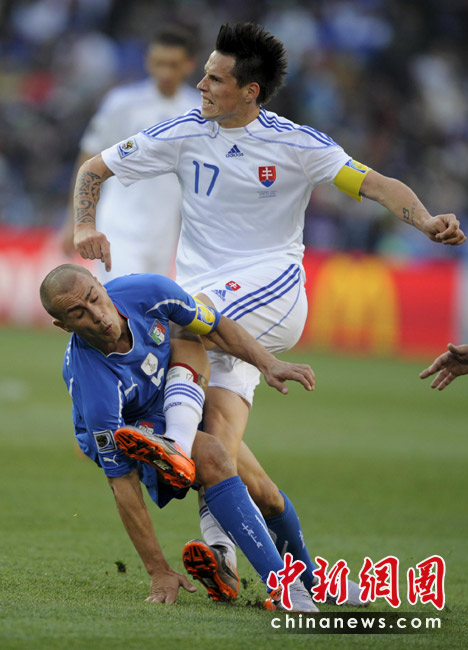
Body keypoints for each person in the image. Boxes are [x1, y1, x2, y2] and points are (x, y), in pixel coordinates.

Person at [71, 22, 466, 604]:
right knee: (221, 448)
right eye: (205, 74)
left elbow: (378, 184)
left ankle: (172, 447)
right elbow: (93, 169)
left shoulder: (297, 144)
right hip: (210, 313)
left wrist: (426, 220)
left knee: (184, 320)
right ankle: (271, 569)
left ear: (250, 90)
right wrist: (84, 224)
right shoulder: (183, 132)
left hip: (272, 290)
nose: (200, 85)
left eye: (214, 78)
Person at [39, 263, 319, 610]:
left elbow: (216, 326)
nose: (96, 316)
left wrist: (267, 363)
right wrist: (158, 569)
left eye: (94, 298)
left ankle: (310, 582)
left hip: (173, 398)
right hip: (133, 430)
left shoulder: (149, 292)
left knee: (267, 494)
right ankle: (284, 586)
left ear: (100, 284)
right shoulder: (95, 386)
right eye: (78, 314)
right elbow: (122, 482)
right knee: (214, 456)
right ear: (64, 326)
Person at [60, 26, 199, 280]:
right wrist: (76, 220)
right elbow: (88, 160)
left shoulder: (198, 111)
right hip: (118, 225)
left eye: (173, 64)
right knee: (123, 297)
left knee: (149, 302)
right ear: (148, 61)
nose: (165, 72)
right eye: (159, 63)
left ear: (189, 65)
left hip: (165, 230)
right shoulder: (121, 104)